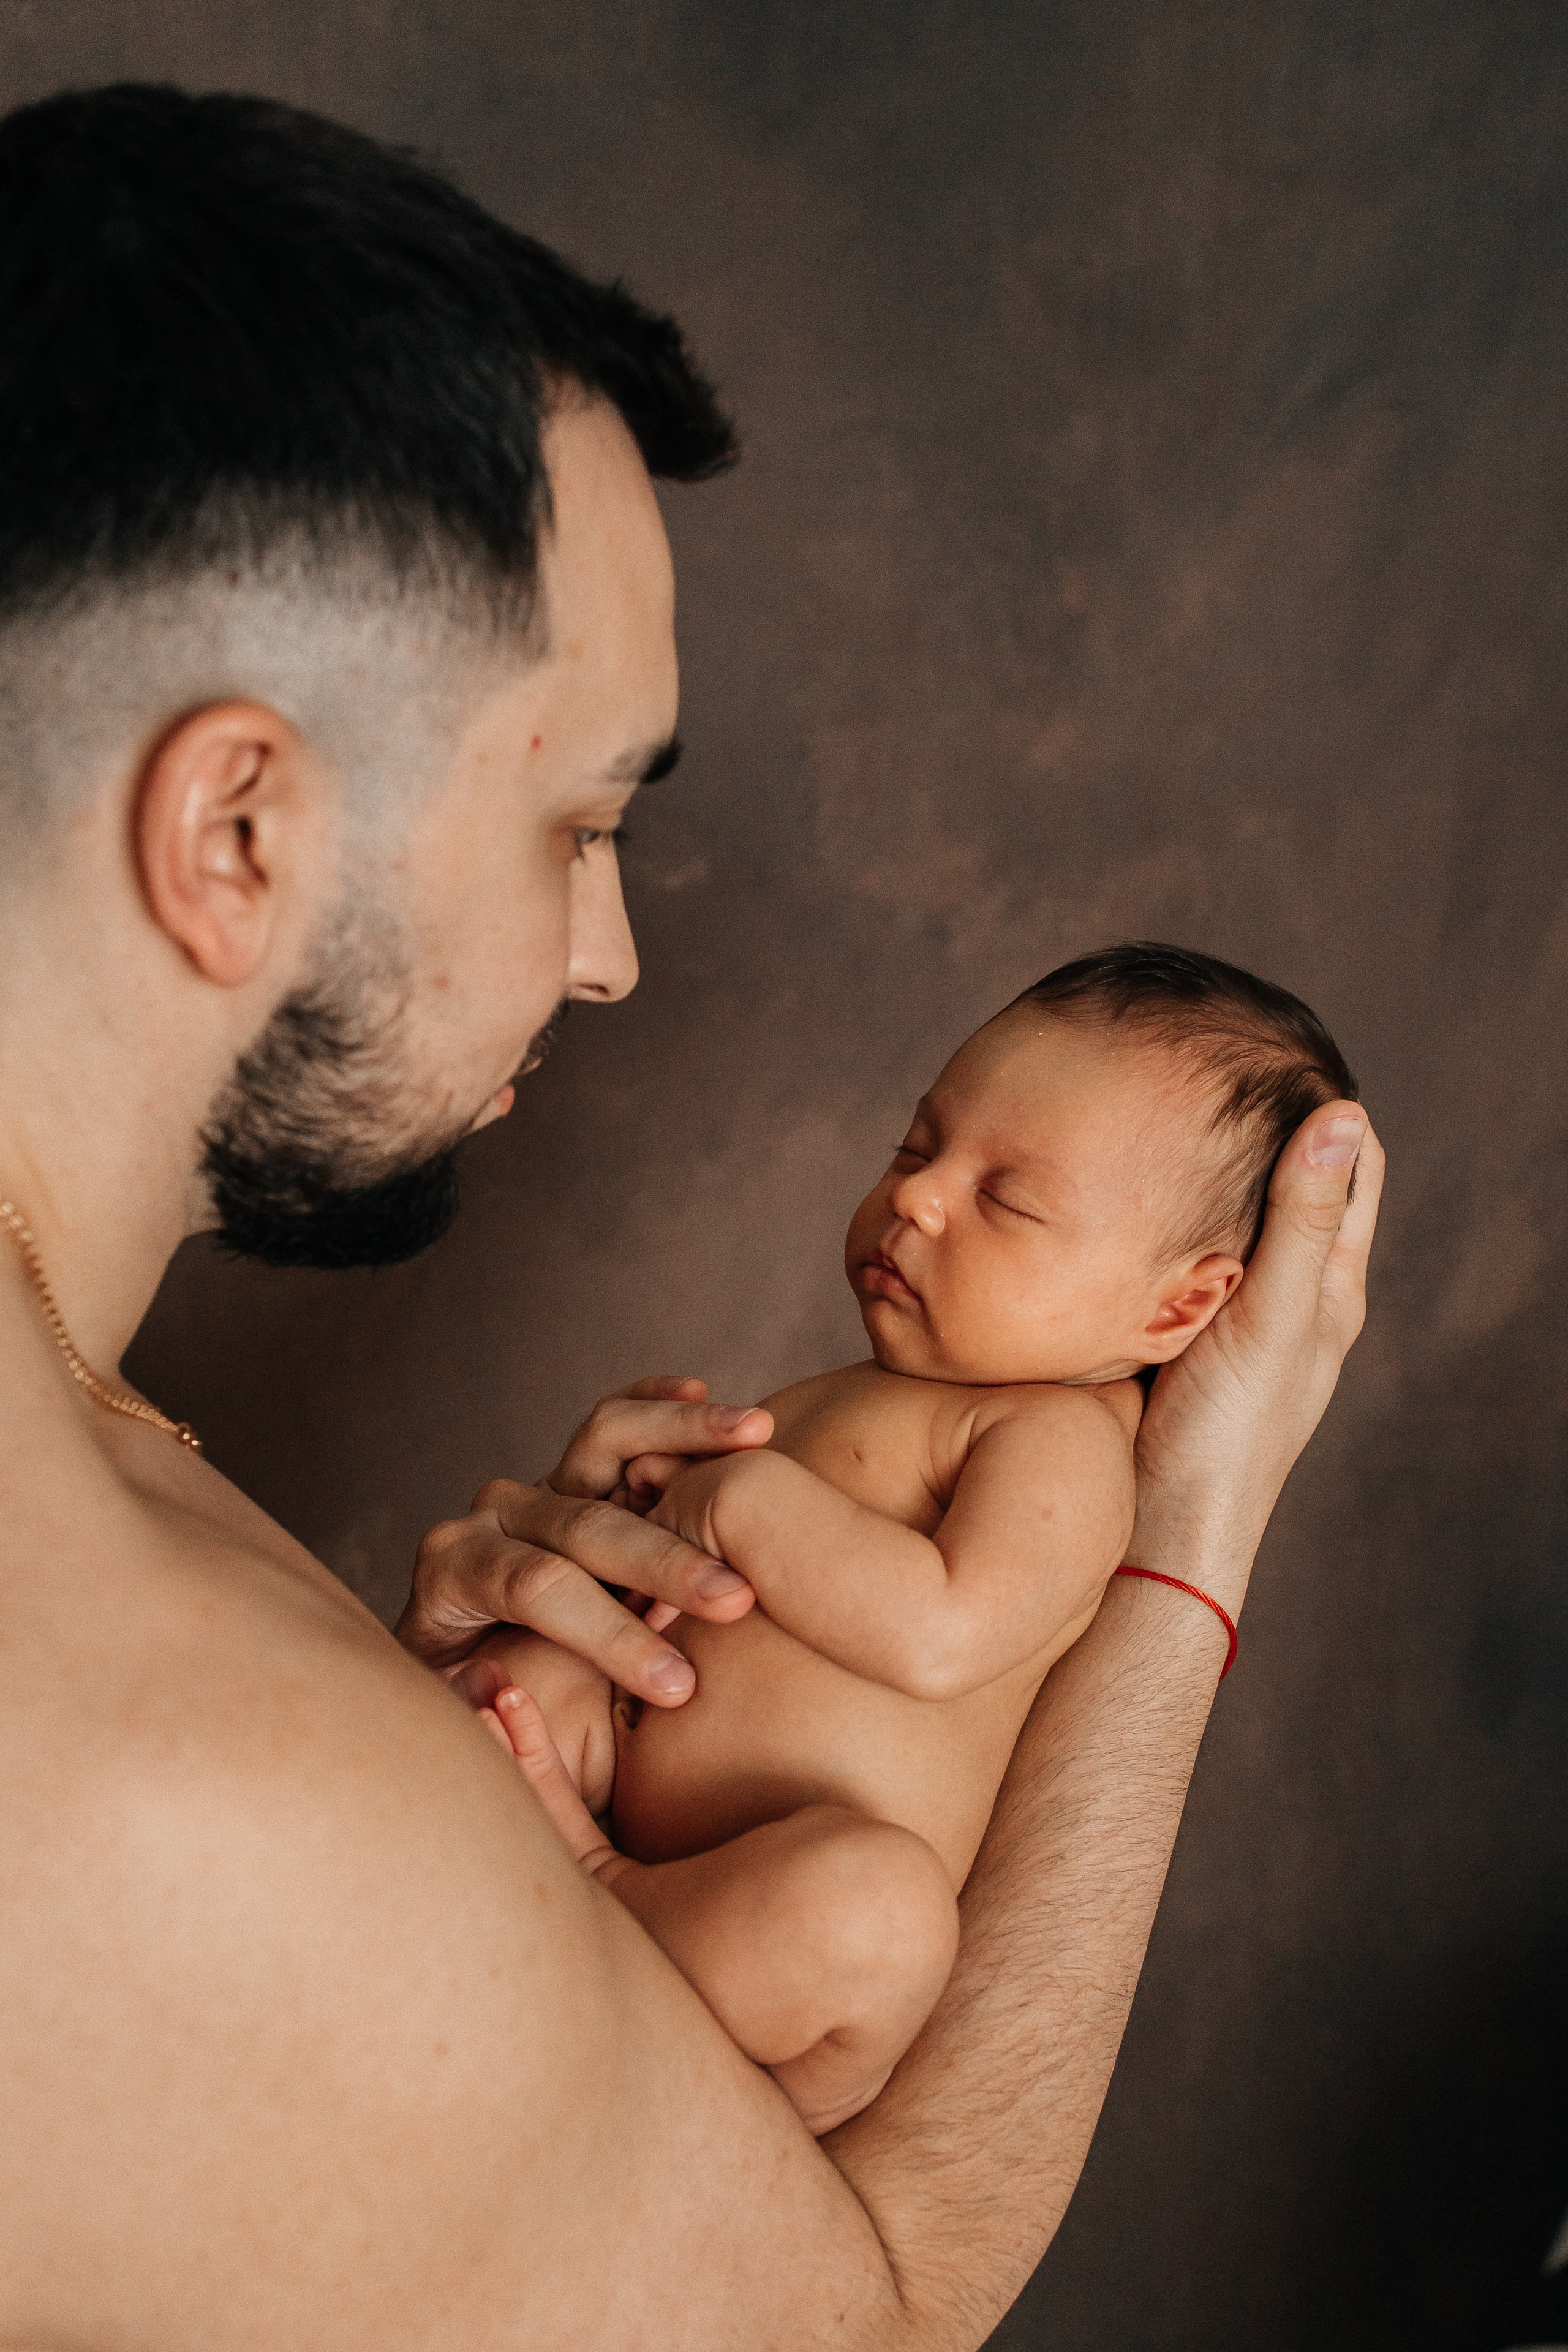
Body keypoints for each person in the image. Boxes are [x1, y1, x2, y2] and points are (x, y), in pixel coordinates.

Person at [0, 83, 1382, 2352]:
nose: (611, 954)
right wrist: (1191, 1559)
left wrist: (417, 1727)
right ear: (235, 827)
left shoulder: (90, 1452)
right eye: (577, 824)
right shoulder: (179, 1791)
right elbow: (876, 2310)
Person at [463, 944, 1358, 2139]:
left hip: (773, 1885)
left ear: (1177, 1306)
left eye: (1006, 1200)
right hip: (609, 1769)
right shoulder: (869, 1385)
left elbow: (944, 1632)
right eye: (914, 1147)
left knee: (877, 1917)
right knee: (502, 1679)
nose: (917, 1198)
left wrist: (743, 1505)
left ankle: (604, 1898)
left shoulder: (1057, 1440)